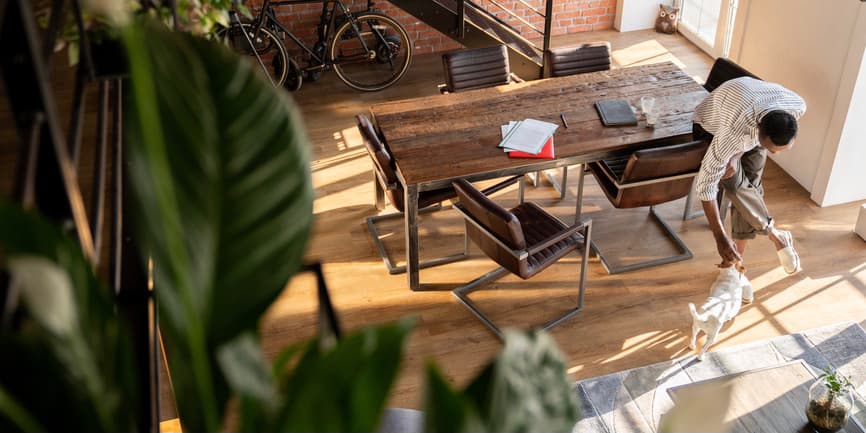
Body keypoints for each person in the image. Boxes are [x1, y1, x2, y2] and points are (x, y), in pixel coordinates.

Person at [692, 76, 806, 274]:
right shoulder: (732, 133)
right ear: (759, 128)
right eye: (770, 148)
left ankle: (735, 266)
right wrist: (720, 238)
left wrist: (738, 154)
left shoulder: (796, 106)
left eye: (781, 149)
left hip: (749, 122)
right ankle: (775, 235)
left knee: (750, 185)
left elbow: (756, 142)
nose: (775, 153)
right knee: (733, 183)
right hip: (710, 126)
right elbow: (705, 185)